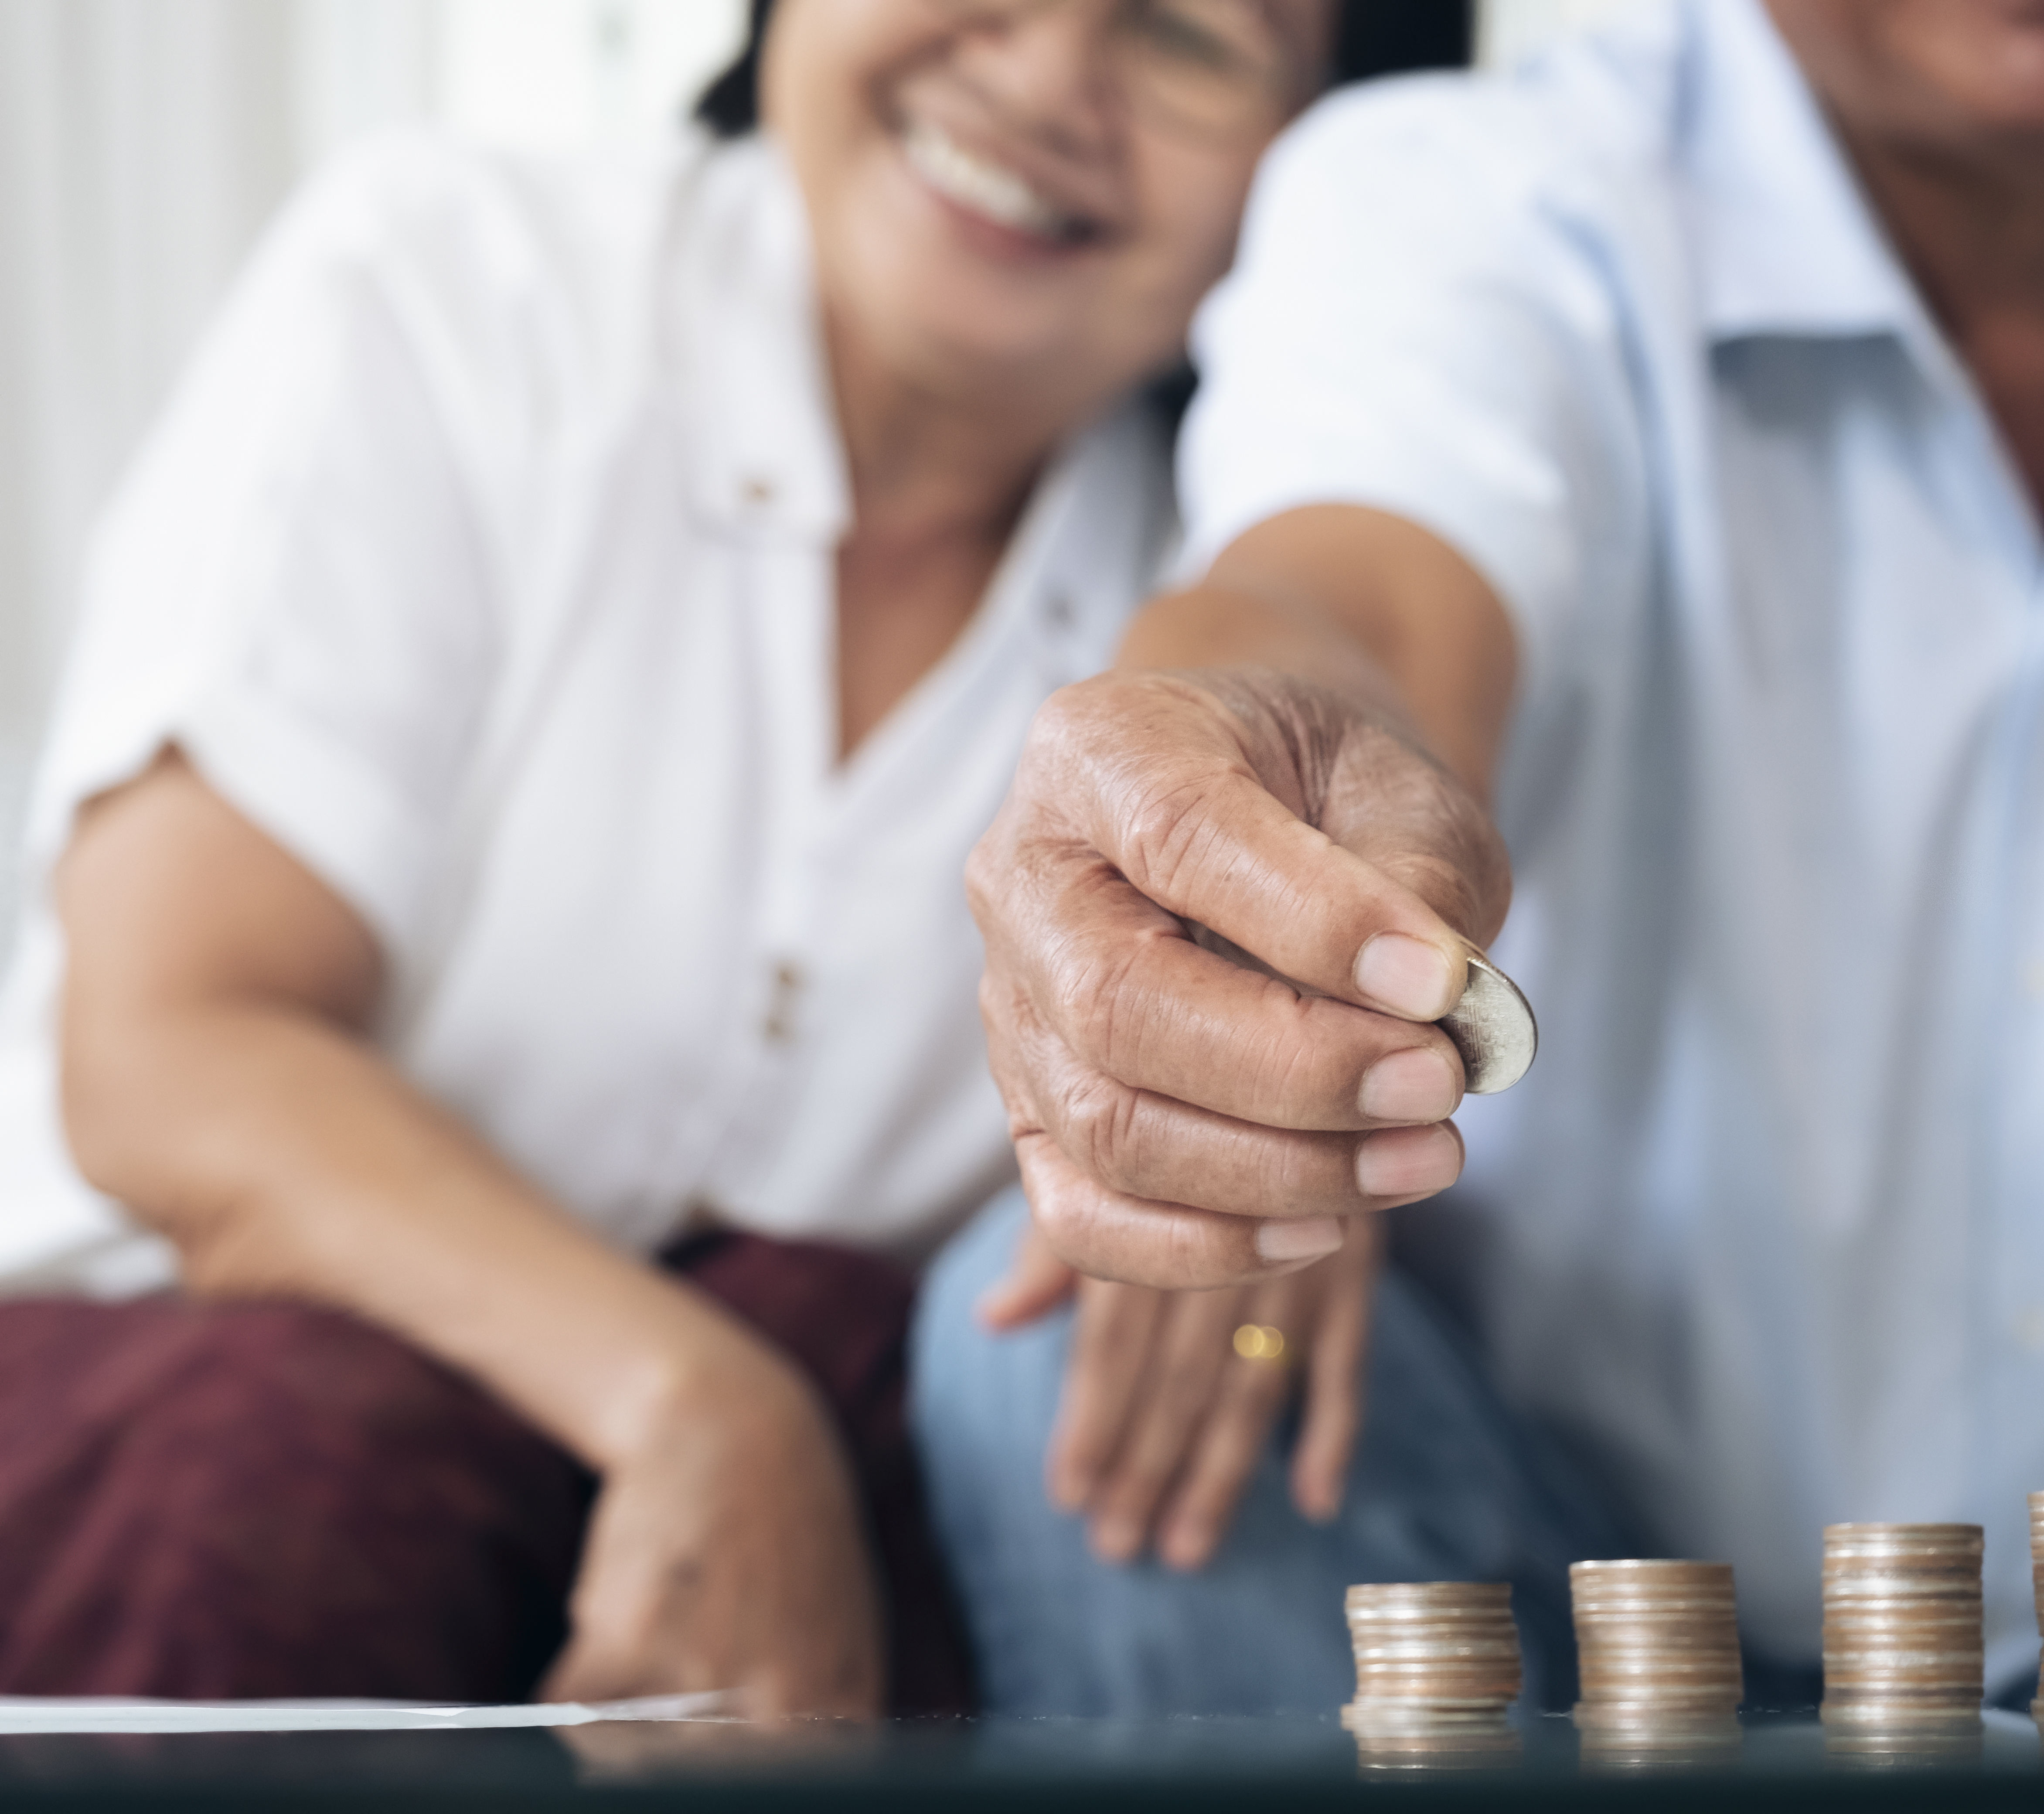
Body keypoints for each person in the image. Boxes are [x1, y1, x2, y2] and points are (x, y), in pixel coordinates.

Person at [940, 0, 2044, 1714]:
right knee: (1034, 1342)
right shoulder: (1461, 193)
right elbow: (1353, 593)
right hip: (1549, 1595)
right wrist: (1260, 843)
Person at [0, 0, 1471, 1715]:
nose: (1049, 78)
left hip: (785, 1522)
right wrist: (694, 1399)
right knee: (332, 1450)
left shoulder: (1232, 632)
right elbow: (172, 1054)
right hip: (195, 1421)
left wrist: (1298, 1142)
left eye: (1187, 36)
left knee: (927, 1379)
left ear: (1333, 147)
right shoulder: (456, 284)